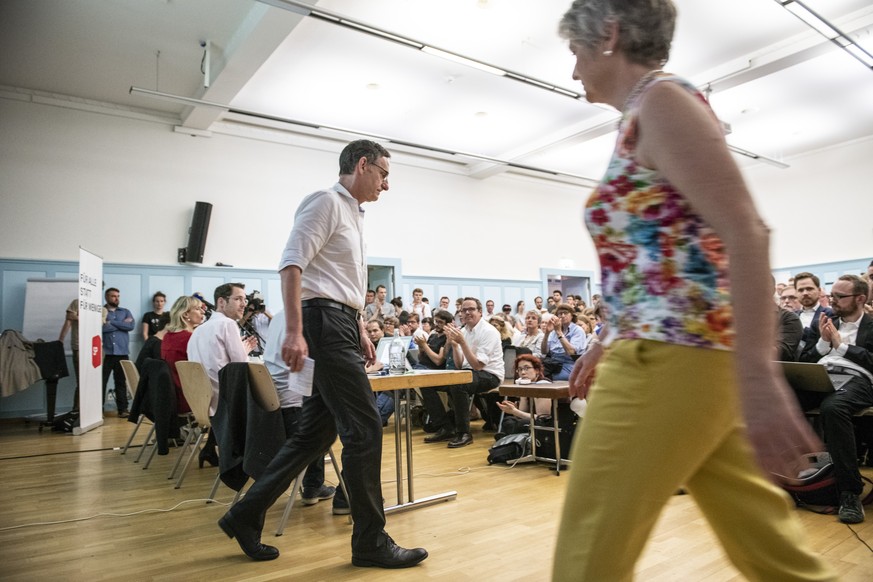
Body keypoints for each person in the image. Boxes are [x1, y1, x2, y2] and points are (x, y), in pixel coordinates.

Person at [552, 2, 835, 581]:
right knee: (772, 552)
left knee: (587, 562)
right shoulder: (644, 112)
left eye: (575, 52)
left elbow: (747, 233)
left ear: (608, 35)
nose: (574, 70)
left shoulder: (662, 101)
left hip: (665, 363)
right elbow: (660, 264)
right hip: (691, 363)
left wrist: (759, 376)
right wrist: (606, 338)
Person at [217, 140, 427, 568]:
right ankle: (370, 542)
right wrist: (295, 331)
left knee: (313, 434)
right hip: (321, 326)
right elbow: (291, 264)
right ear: (362, 165)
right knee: (366, 429)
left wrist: (356, 329)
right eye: (384, 173)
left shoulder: (352, 213)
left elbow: (334, 282)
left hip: (337, 325)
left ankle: (245, 513)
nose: (387, 184)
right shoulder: (326, 201)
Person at [797, 274, 873, 523]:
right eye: (832, 295)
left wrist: (841, 347)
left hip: (857, 379)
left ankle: (849, 491)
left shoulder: (871, 325)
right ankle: (784, 479)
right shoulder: (824, 320)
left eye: (840, 296)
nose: (833, 300)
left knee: (833, 408)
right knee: (780, 399)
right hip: (820, 374)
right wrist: (822, 342)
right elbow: (804, 359)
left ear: (860, 299)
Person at [264, 310, 345, 511]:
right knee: (341, 422)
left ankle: (313, 485)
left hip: (275, 403)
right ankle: (326, 490)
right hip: (295, 404)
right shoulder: (306, 317)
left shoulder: (277, 318)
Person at [187, 283, 258, 466]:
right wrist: (245, 350)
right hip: (224, 403)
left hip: (203, 401)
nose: (243, 304)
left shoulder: (197, 331)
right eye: (238, 299)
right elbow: (240, 368)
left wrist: (242, 350)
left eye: (245, 299)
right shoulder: (228, 324)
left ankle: (210, 449)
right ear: (221, 302)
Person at [420, 297, 504, 448]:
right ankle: (445, 426)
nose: (467, 312)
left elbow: (478, 365)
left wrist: (462, 343)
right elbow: (459, 365)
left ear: (480, 312)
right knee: (428, 383)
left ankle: (464, 432)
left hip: (490, 375)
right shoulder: (463, 331)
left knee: (459, 384)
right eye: (464, 310)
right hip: (467, 372)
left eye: (471, 309)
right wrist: (454, 345)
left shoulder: (489, 331)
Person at [161, 295, 204, 416]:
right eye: (197, 308)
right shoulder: (190, 338)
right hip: (189, 397)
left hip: (172, 395)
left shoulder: (167, 336)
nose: (202, 311)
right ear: (186, 315)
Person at [102, 287, 135, 417]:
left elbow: (130, 326)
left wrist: (111, 322)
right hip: (106, 353)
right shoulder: (101, 311)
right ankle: (98, 410)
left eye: (118, 296)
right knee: (101, 382)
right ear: (107, 297)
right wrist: (121, 324)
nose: (116, 298)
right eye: (113, 296)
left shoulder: (125, 311)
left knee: (121, 382)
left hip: (122, 352)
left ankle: (123, 409)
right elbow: (101, 328)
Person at [541, 303, 587, 380]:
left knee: (551, 378)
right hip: (553, 363)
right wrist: (547, 333)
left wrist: (559, 332)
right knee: (534, 374)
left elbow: (571, 352)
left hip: (569, 364)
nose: (562, 316)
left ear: (572, 315)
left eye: (565, 313)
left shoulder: (577, 330)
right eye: (560, 314)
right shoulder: (553, 331)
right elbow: (544, 351)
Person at [59, 299, 80, 410]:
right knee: (81, 382)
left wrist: (77, 317)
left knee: (93, 382)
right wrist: (60, 340)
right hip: (79, 347)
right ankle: (76, 411)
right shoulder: (77, 302)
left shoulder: (101, 308)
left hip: (94, 348)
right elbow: (69, 320)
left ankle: (92, 412)